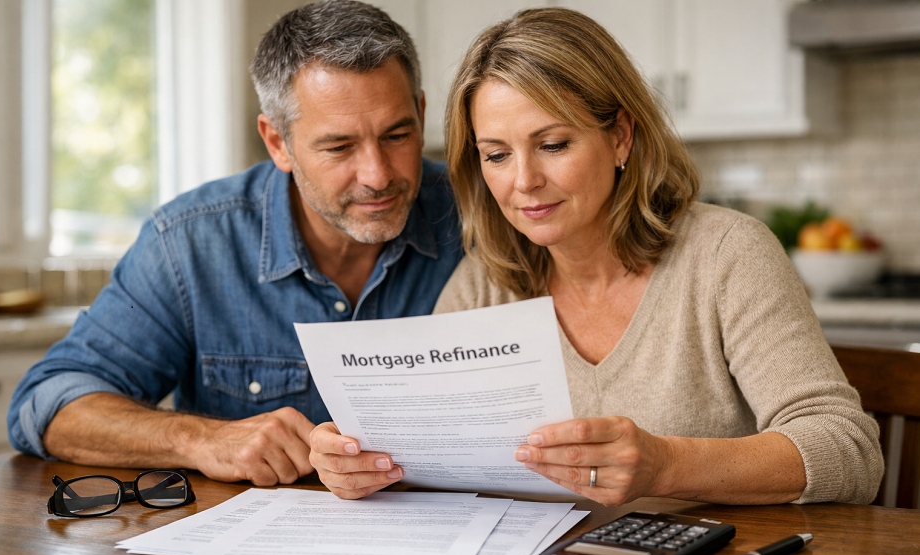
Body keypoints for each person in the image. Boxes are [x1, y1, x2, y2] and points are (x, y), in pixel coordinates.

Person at [310, 6, 883, 505]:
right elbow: (431, 462)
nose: (524, 182)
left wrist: (665, 465)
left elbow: (848, 450)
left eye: (553, 145)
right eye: (497, 155)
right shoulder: (486, 281)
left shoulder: (726, 256)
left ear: (620, 137)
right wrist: (363, 465)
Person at [7, 0, 461, 487]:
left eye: (397, 135)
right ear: (277, 143)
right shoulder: (189, 244)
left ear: (421, 112)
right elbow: (49, 402)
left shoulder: (481, 218)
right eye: (339, 147)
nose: (377, 175)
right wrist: (199, 439)